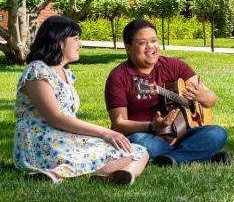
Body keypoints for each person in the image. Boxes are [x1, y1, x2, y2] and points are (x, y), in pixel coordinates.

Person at [13, 15, 148, 185]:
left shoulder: (65, 73)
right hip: (41, 142)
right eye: (76, 39)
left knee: (138, 150)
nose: (80, 44)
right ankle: (56, 174)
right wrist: (105, 132)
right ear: (59, 41)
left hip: (64, 136)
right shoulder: (37, 71)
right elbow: (56, 118)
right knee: (119, 152)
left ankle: (122, 175)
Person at [104, 19, 230, 166]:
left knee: (217, 133)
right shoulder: (118, 77)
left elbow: (211, 100)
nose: (150, 46)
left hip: (183, 133)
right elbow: (119, 124)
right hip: (148, 136)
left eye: (154, 40)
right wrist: (152, 126)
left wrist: (203, 97)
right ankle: (195, 156)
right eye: (142, 43)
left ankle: (173, 157)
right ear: (128, 47)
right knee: (137, 142)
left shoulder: (174, 66)